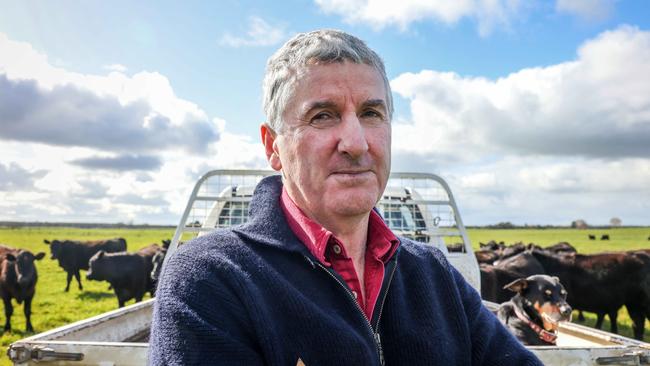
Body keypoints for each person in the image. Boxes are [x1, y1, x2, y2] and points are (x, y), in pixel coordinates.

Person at [148, 29, 542, 365]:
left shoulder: (432, 272)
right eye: (322, 115)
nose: (356, 143)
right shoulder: (213, 276)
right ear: (272, 146)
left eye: (372, 113)